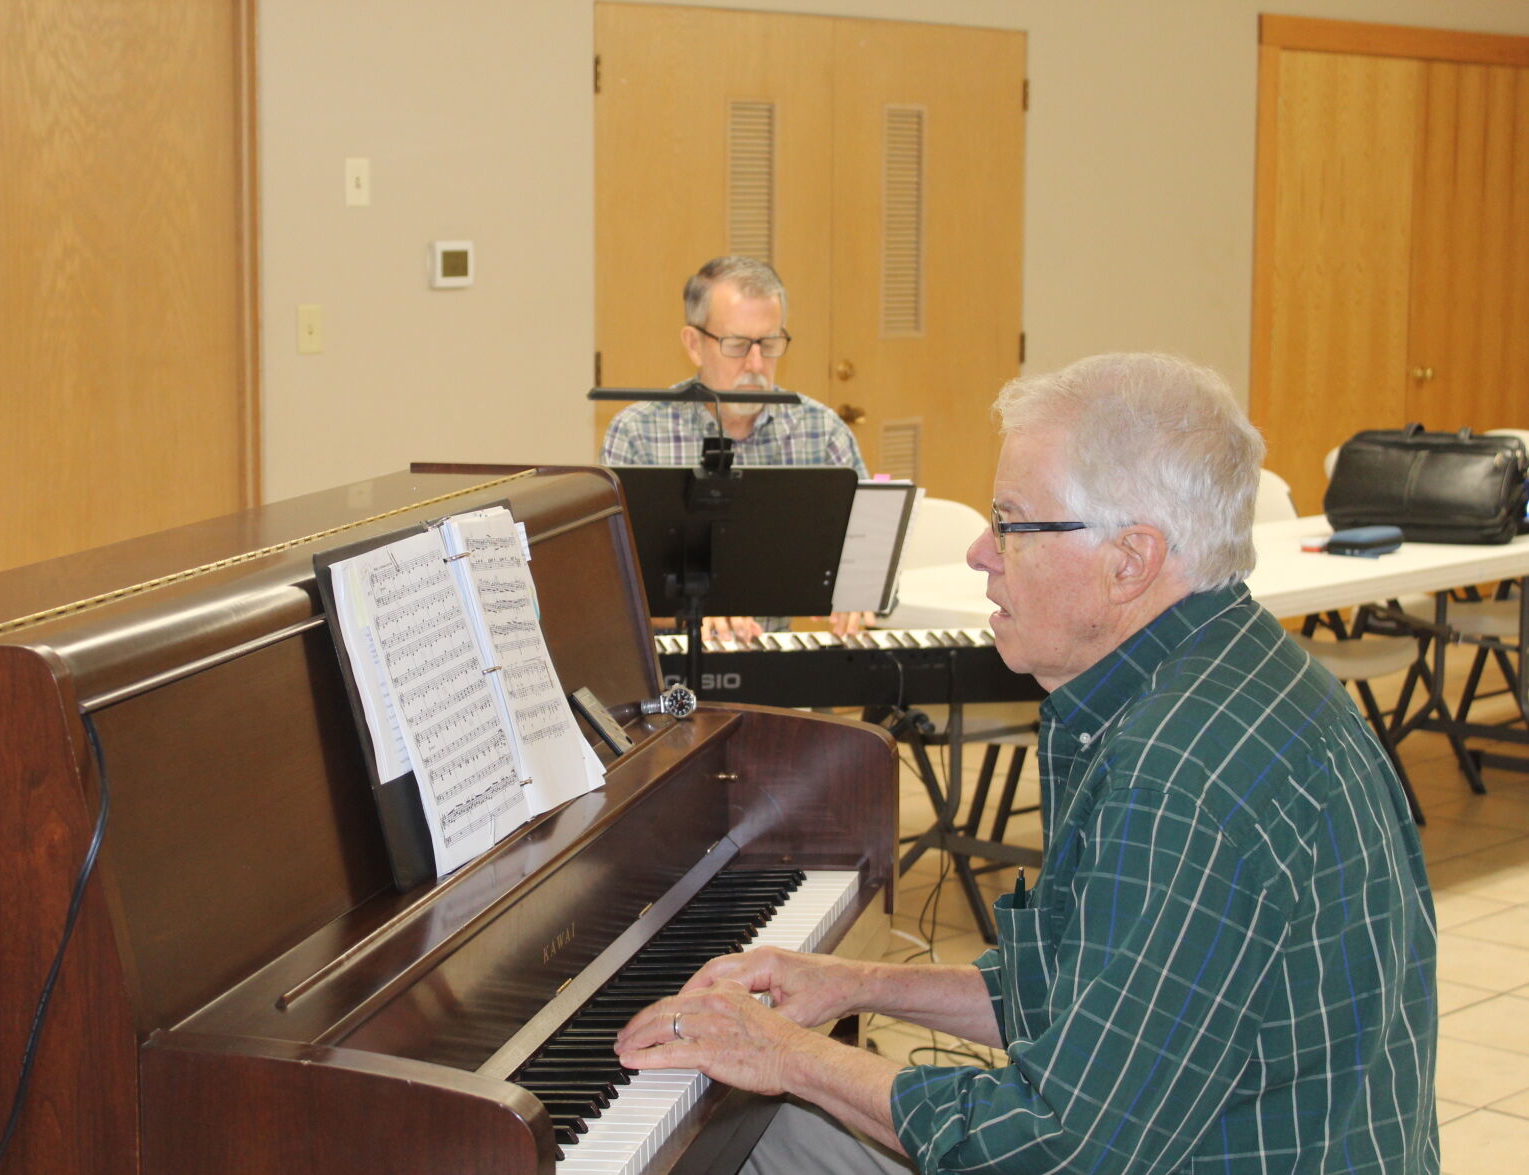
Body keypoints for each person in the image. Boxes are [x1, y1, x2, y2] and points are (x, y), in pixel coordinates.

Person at [615, 352, 1439, 1173]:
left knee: (751, 1138)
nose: (980, 552)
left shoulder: (1177, 772)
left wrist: (789, 1055)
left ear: (1131, 560)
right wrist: (852, 984)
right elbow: (1084, 1002)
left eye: (1010, 522)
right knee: (771, 1129)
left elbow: (1054, 1148)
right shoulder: (1235, 672)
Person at [602, 255, 871, 638]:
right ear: (694, 344)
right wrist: (689, 614)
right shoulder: (637, 432)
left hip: (778, 668)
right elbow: (612, 591)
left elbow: (867, 557)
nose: (756, 363)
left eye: (770, 343)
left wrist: (857, 591)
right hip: (673, 673)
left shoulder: (821, 429)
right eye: (737, 345)